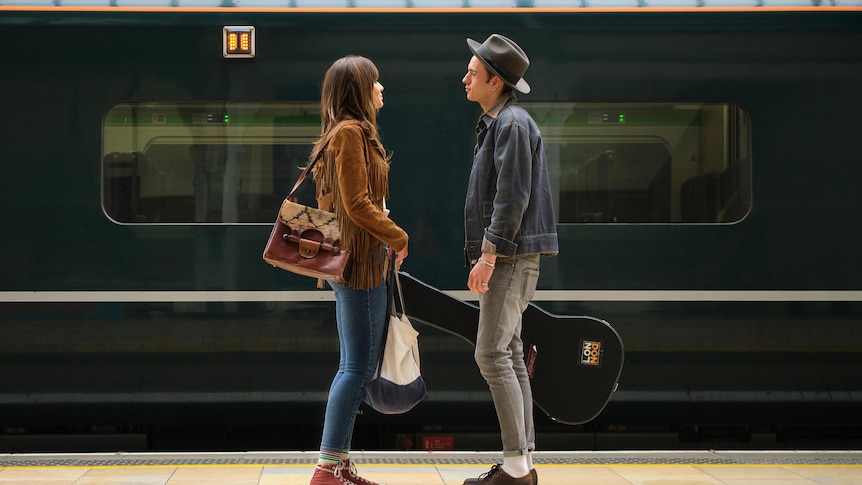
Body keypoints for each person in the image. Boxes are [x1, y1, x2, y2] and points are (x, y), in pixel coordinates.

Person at [460, 34, 559, 485]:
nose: (465, 79)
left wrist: (488, 254)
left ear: (495, 82)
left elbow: (511, 196)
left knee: (491, 354)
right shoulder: (500, 122)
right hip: (513, 256)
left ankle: (517, 467)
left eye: (473, 74)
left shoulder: (512, 124)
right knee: (511, 353)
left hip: (510, 257)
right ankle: (522, 464)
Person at [308, 55, 409, 485]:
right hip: (358, 265)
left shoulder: (348, 133)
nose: (381, 89)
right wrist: (397, 235)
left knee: (354, 364)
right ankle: (328, 468)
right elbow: (356, 204)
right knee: (357, 368)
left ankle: (339, 463)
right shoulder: (350, 134)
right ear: (359, 91)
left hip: (357, 261)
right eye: (376, 83)